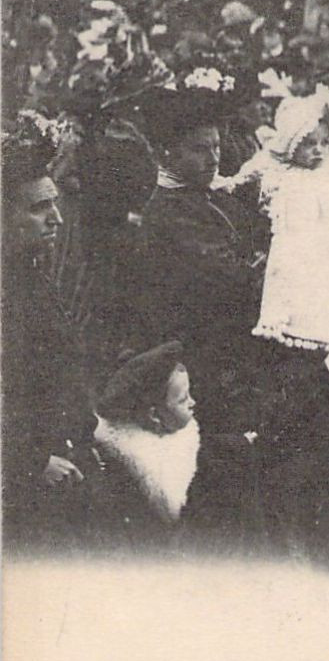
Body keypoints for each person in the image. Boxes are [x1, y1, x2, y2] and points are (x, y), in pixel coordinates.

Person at [134, 72, 329, 557]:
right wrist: (271, 260)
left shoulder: (214, 194)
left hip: (248, 347)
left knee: (313, 406)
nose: (212, 157)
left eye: (215, 146)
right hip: (217, 358)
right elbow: (229, 282)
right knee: (257, 465)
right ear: (167, 154)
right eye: (198, 149)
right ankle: (285, 546)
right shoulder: (168, 214)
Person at [217, 82, 329, 505]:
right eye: (308, 144)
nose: (317, 151)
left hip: (327, 278)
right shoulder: (278, 174)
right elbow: (249, 178)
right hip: (288, 274)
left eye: (323, 143)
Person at [1, 111, 98, 549]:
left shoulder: (32, 276)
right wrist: (31, 461)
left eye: (54, 203)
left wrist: (83, 436)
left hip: (63, 458)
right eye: (40, 208)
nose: (56, 218)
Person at [87, 342, 199, 552]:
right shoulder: (126, 465)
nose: (193, 402)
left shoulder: (188, 441)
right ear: (154, 415)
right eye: (183, 399)